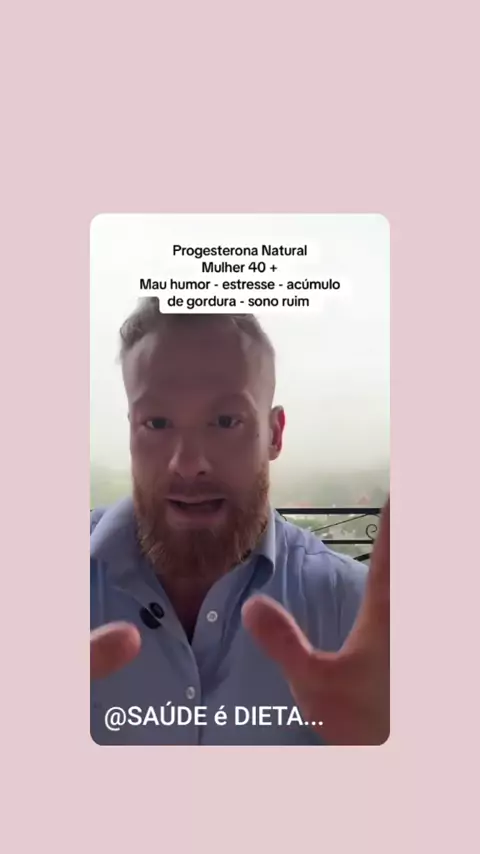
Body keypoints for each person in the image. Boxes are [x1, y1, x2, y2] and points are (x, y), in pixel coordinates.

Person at [90, 298, 389, 745]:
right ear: (132, 430)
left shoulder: (353, 611)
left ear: (274, 434)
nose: (188, 463)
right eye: (157, 422)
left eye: (226, 421)